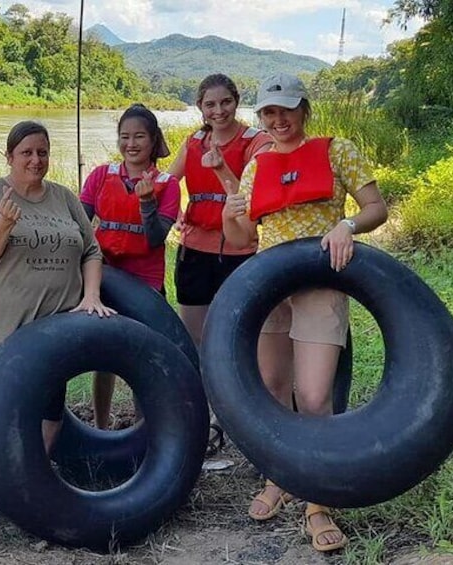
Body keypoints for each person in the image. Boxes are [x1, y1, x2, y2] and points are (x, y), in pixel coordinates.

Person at [221, 73, 388, 553]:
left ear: (304, 110)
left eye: (287, 110)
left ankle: (317, 501)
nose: (278, 120)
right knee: (273, 389)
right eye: (269, 113)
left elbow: (377, 207)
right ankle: (281, 477)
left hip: (319, 284)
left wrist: (346, 224)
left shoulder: (338, 151)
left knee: (313, 397)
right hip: (269, 288)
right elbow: (243, 241)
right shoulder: (257, 167)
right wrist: (233, 216)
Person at [0, 120, 115, 452]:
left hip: (51, 328)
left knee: (49, 409)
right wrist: (3, 224)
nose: (35, 160)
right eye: (26, 153)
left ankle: (32, 474)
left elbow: (90, 250)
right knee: (0, 405)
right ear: (9, 156)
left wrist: (91, 295)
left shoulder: (63, 197)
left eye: (42, 152)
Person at [167, 74, 273, 454]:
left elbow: (252, 193)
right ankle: (204, 413)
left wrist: (220, 169)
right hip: (195, 250)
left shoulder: (255, 142)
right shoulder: (193, 142)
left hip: (240, 253)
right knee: (195, 336)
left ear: (236, 101)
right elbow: (168, 181)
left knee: (240, 337)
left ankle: (240, 414)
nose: (218, 111)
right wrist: (171, 210)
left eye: (225, 102)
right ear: (200, 108)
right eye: (210, 105)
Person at [80, 103, 180, 429]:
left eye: (139, 136)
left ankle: (143, 427)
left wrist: (147, 201)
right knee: (103, 357)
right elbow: (79, 225)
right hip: (105, 276)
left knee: (144, 356)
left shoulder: (168, 184)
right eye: (125, 136)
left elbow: (154, 238)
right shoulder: (99, 175)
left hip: (145, 283)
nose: (131, 144)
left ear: (153, 140)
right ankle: (100, 423)